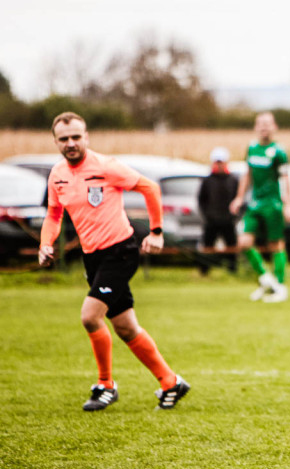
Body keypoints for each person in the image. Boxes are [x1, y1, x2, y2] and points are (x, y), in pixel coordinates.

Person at [39, 112, 190, 411]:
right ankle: (170, 382)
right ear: (56, 141)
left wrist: (157, 232)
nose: (71, 143)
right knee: (125, 327)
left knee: (89, 316)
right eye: (64, 139)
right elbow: (54, 215)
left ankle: (105, 385)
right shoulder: (57, 174)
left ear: (86, 137)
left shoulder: (106, 166)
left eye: (76, 137)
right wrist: (45, 244)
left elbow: (150, 187)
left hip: (120, 252)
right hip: (92, 257)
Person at [230, 112, 290, 303]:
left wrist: (288, 204)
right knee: (244, 242)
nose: (264, 127)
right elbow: (247, 175)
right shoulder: (251, 148)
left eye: (267, 124)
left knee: (275, 245)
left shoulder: (279, 151)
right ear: (255, 127)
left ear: (274, 127)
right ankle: (266, 279)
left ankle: (280, 286)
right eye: (260, 123)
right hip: (254, 203)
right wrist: (239, 198)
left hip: (272, 204)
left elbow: (285, 178)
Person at [197, 147, 239, 274]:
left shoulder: (233, 180)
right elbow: (201, 200)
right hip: (211, 220)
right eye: (217, 162)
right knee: (207, 245)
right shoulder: (207, 180)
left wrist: (234, 217)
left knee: (231, 246)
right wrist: (207, 216)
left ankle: (232, 270)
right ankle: (204, 271)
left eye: (221, 162)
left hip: (228, 220)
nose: (219, 165)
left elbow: (238, 199)